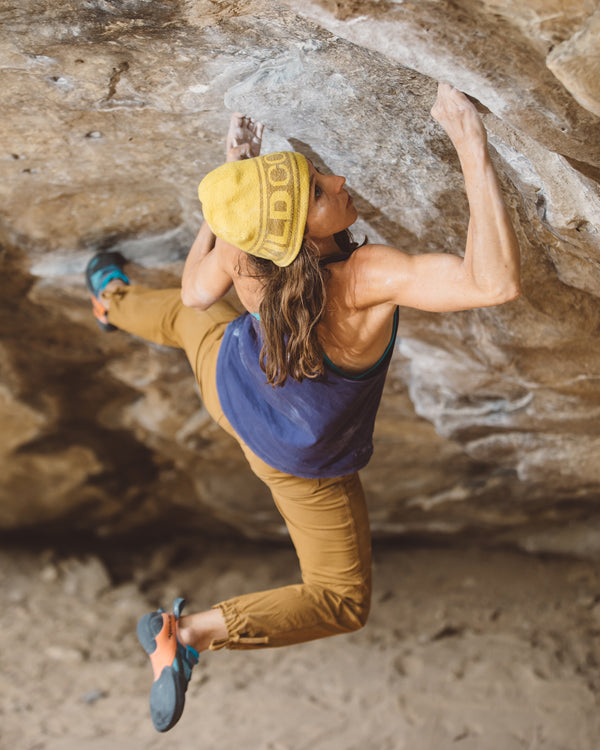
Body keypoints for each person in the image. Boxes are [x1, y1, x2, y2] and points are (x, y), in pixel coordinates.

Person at [85, 83, 520, 732]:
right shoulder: (363, 277)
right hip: (300, 460)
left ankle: (109, 302)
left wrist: (233, 195)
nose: (338, 180)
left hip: (235, 396)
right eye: (319, 191)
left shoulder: (254, 252)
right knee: (340, 599)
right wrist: (467, 136)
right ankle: (199, 632)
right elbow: (495, 282)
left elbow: (196, 292)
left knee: (181, 318)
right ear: (303, 238)